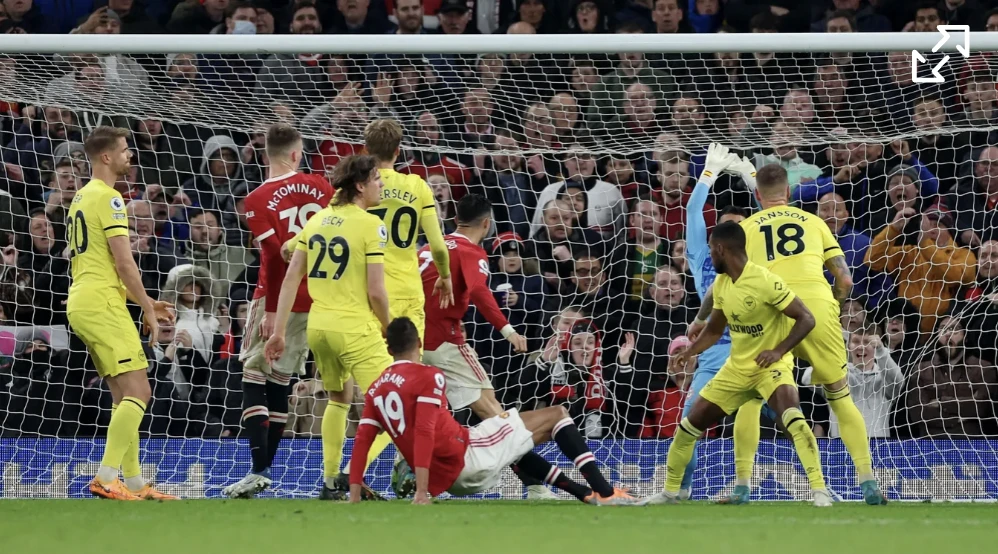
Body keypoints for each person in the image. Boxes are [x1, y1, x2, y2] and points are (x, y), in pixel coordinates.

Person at [703, 157, 887, 505]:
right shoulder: (815, 222)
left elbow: (727, 280)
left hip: (772, 310)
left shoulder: (747, 229)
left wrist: (703, 321)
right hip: (816, 308)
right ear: (787, 191)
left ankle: (742, 484)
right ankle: (868, 482)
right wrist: (833, 302)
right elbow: (845, 278)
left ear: (758, 195)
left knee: (752, 398)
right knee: (840, 397)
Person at [348, 317, 636, 505]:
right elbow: (424, 431)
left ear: (388, 348)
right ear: (420, 343)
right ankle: (606, 492)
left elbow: (362, 441)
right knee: (558, 413)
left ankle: (585, 494)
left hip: (449, 476)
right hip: (467, 456)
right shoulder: (428, 376)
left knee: (517, 436)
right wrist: (421, 493)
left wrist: (354, 493)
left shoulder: (376, 388)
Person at [642, 221, 830, 507]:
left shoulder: (765, 281)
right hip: (737, 370)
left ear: (719, 249)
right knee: (687, 428)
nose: (710, 257)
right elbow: (715, 330)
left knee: (792, 418)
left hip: (770, 368)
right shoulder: (722, 283)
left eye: (711, 251)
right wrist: (691, 351)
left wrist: (778, 351)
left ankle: (820, 491)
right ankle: (670, 493)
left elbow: (806, 318)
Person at [334, 118, 454, 495]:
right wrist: (446, 275)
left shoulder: (359, 187)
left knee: (358, 392)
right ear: (399, 151)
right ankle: (395, 474)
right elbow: (436, 245)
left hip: (365, 292)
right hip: (405, 291)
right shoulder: (416, 185)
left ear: (366, 150)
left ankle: (342, 473)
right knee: (407, 392)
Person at [263, 155, 392, 501]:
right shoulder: (370, 224)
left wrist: (278, 330)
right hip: (354, 326)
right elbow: (377, 291)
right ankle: (353, 474)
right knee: (397, 405)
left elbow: (291, 279)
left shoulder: (318, 219)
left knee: (338, 398)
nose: (382, 185)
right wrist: (389, 326)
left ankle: (331, 479)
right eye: (377, 179)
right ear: (361, 186)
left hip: (319, 327)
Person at [223, 123, 334, 499]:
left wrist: (272, 311)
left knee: (255, 372)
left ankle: (257, 469)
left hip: (277, 298)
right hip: (320, 297)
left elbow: (272, 256)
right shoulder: (324, 187)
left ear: (267, 153)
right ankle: (264, 471)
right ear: (295, 153)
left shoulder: (255, 198)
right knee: (281, 379)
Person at [66, 126, 175, 500]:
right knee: (141, 391)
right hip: (102, 304)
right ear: (106, 157)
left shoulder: (81, 197)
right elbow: (123, 262)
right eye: (125, 150)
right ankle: (106, 477)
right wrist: (147, 307)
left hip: (86, 300)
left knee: (123, 396)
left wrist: (144, 302)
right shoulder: (110, 198)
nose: (132, 156)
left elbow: (100, 264)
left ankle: (134, 484)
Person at [677, 143, 768, 499]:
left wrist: (751, 180)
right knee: (689, 423)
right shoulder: (703, 253)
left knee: (763, 415)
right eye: (726, 227)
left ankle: (751, 485)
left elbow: (771, 218)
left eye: (740, 229)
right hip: (715, 352)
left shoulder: (757, 254)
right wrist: (708, 173)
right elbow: (692, 211)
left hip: (752, 348)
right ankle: (680, 491)